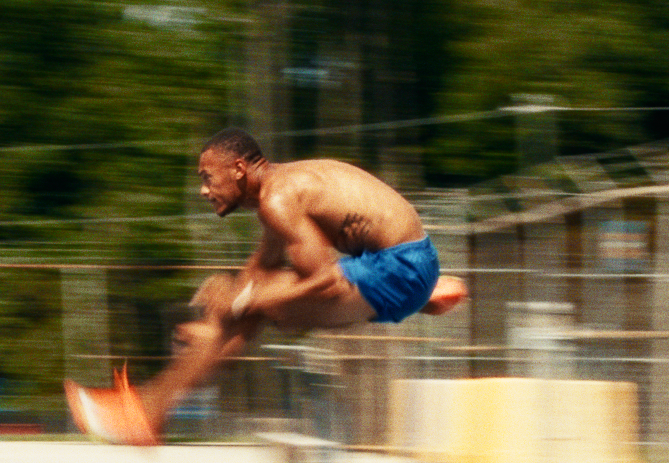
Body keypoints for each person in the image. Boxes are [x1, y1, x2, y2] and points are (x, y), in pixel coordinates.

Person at [65, 127, 466, 446]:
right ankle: (149, 409)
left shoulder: (277, 200)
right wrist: (219, 319)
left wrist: (241, 302)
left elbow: (324, 280)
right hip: (401, 259)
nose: (204, 190)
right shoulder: (280, 189)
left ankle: (147, 413)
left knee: (256, 306)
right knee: (247, 305)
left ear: (239, 169)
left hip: (398, 270)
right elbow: (260, 268)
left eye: (207, 178)